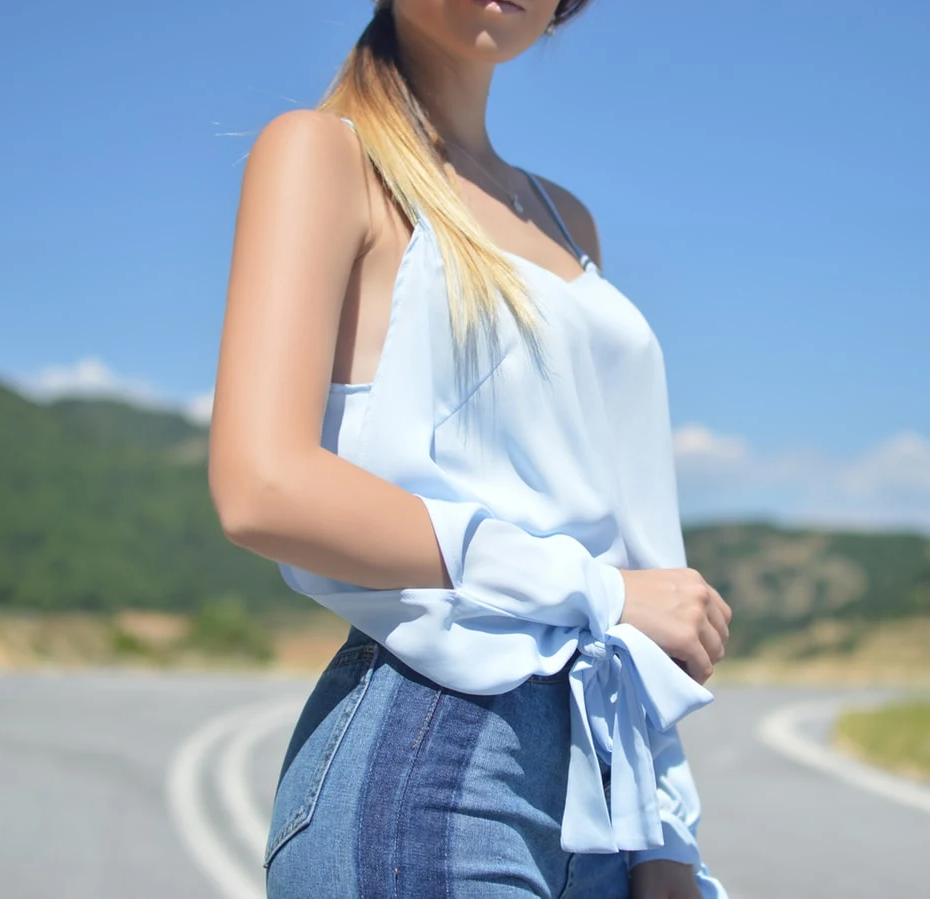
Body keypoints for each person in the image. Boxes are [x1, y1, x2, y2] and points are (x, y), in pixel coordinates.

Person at [207, 1, 731, 896]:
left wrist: (666, 840)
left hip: (605, 782)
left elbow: (624, 553)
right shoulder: (327, 155)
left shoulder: (569, 222)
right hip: (433, 758)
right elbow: (263, 486)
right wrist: (596, 592)